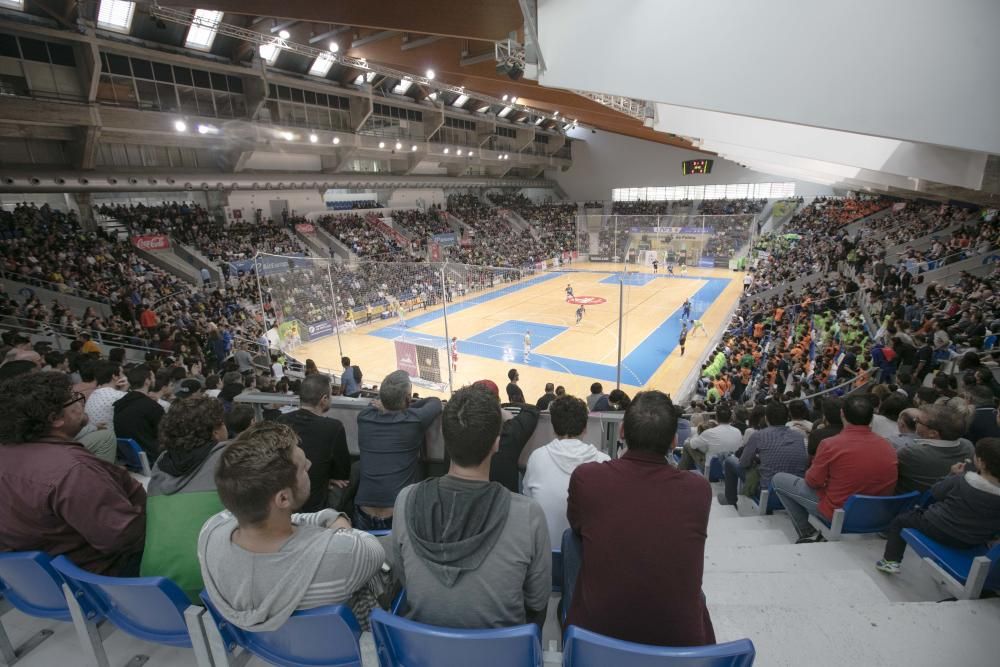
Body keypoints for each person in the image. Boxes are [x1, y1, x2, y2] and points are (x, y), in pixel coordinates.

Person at [385, 385, 550, 629]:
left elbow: (406, 579)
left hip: (423, 652)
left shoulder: (405, 499)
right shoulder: (527, 514)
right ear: (496, 444)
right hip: (500, 652)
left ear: (445, 436)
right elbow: (537, 602)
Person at [199, 421, 386, 631]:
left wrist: (326, 516)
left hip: (272, 647)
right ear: (283, 499)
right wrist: (340, 526)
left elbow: (291, 521)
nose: (310, 465)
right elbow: (373, 550)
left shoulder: (210, 532)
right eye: (302, 467)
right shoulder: (344, 554)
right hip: (338, 646)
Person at [565, 390, 715, 647]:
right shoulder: (698, 489)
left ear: (622, 431)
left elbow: (577, 525)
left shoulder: (587, 478)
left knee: (571, 539)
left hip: (592, 643)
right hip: (681, 651)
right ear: (673, 441)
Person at [0, 371, 146, 575]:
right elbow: (123, 537)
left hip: (43, 577)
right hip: (100, 574)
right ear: (56, 419)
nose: (82, 404)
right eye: (75, 400)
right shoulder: (73, 470)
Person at [773, 395, 898, 542]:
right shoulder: (888, 445)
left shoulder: (830, 444)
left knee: (779, 479)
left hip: (840, 512)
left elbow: (812, 481)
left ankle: (807, 532)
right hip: (876, 515)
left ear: (842, 415)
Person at [141, 395, 228, 602]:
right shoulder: (229, 456)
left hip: (156, 587)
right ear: (216, 431)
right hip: (209, 584)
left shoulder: (161, 462)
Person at [876, 438, 1000, 575]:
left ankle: (890, 562)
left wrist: (951, 474)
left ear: (981, 463)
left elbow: (936, 492)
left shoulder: (962, 480)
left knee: (900, 521)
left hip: (937, 527)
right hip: (971, 541)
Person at [354, 371, 442, 530]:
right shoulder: (415, 419)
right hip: (396, 514)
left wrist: (392, 406)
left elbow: (374, 404)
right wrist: (403, 408)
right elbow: (435, 402)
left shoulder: (364, 416)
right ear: (408, 399)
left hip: (363, 511)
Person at [523, 395, 609, 543]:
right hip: (588, 555)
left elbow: (528, 500)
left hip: (545, 555)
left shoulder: (537, 457)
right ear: (585, 428)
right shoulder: (604, 462)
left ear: (554, 428)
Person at [278, 374, 351, 513]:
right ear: (324, 399)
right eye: (331, 395)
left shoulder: (281, 420)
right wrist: (327, 479)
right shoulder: (333, 427)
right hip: (315, 507)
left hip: (285, 503)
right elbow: (343, 474)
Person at [718, 401, 809, 507]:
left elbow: (743, 463)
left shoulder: (758, 436)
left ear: (766, 418)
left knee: (730, 461)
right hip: (796, 494)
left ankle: (730, 499)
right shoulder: (799, 436)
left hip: (769, 494)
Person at [896, 404, 975, 493]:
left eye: (917, 421)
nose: (915, 422)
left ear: (932, 433)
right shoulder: (968, 446)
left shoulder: (910, 452)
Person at [113, 364, 166, 458]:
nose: (154, 380)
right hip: (148, 457)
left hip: (125, 455)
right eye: (152, 378)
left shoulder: (119, 404)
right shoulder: (153, 407)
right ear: (147, 381)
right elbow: (164, 435)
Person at [678, 403, 742, 472]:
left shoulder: (710, 432)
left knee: (687, 444)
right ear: (730, 417)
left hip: (712, 470)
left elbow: (692, 445)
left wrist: (698, 433)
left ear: (716, 417)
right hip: (731, 468)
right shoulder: (738, 431)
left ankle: (679, 472)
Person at [84, 360, 128, 430]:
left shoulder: (94, 393)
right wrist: (126, 387)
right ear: (115, 376)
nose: (125, 376)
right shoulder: (118, 395)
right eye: (122, 373)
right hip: (106, 438)